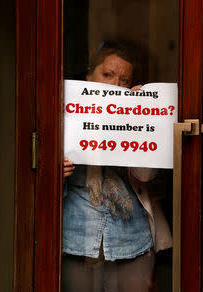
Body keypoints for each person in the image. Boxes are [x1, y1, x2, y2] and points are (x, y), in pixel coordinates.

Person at [62, 40, 172, 292]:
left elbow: (145, 176)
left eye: (124, 80)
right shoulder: (64, 116)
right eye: (108, 75)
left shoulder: (135, 116)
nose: (115, 85)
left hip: (131, 239)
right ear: (89, 76)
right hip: (77, 238)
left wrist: (140, 117)